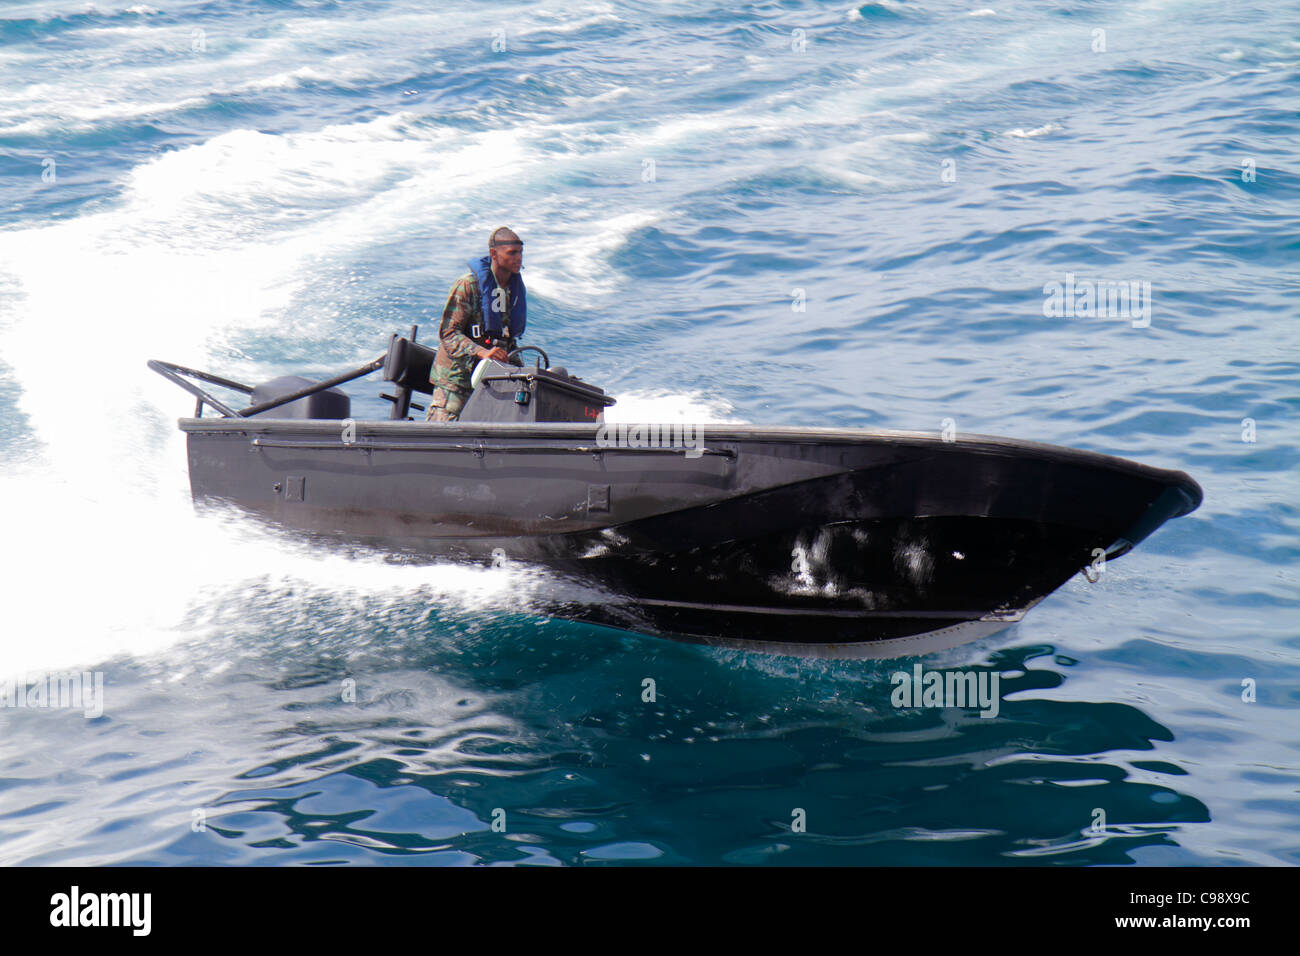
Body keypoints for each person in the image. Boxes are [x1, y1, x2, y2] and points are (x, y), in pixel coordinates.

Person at [425, 226, 528, 422]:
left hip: (489, 382)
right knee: (444, 433)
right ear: (494, 254)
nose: (518, 258)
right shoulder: (468, 286)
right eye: (512, 253)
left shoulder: (512, 291)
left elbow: (506, 338)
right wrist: (481, 352)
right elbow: (448, 333)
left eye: (520, 252)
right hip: (456, 381)